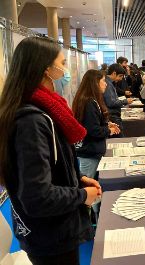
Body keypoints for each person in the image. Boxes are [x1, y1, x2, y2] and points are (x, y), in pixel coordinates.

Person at [0, 37, 101, 265]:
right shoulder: (33, 120)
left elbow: (49, 168)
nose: (66, 70)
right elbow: (37, 196)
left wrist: (78, 180)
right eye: (63, 63)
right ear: (47, 69)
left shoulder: (39, 111)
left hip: (51, 231)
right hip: (51, 234)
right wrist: (83, 195)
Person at [72, 69, 120, 179]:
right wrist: (109, 130)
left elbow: (92, 123)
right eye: (103, 81)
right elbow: (92, 130)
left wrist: (107, 125)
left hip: (91, 152)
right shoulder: (89, 102)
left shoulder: (91, 100)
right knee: (88, 185)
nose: (106, 83)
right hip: (89, 154)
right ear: (95, 83)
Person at [103, 63, 134, 136]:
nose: (120, 79)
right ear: (114, 73)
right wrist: (125, 101)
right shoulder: (108, 84)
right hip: (113, 116)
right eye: (120, 76)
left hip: (114, 116)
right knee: (120, 139)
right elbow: (110, 102)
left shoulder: (111, 83)